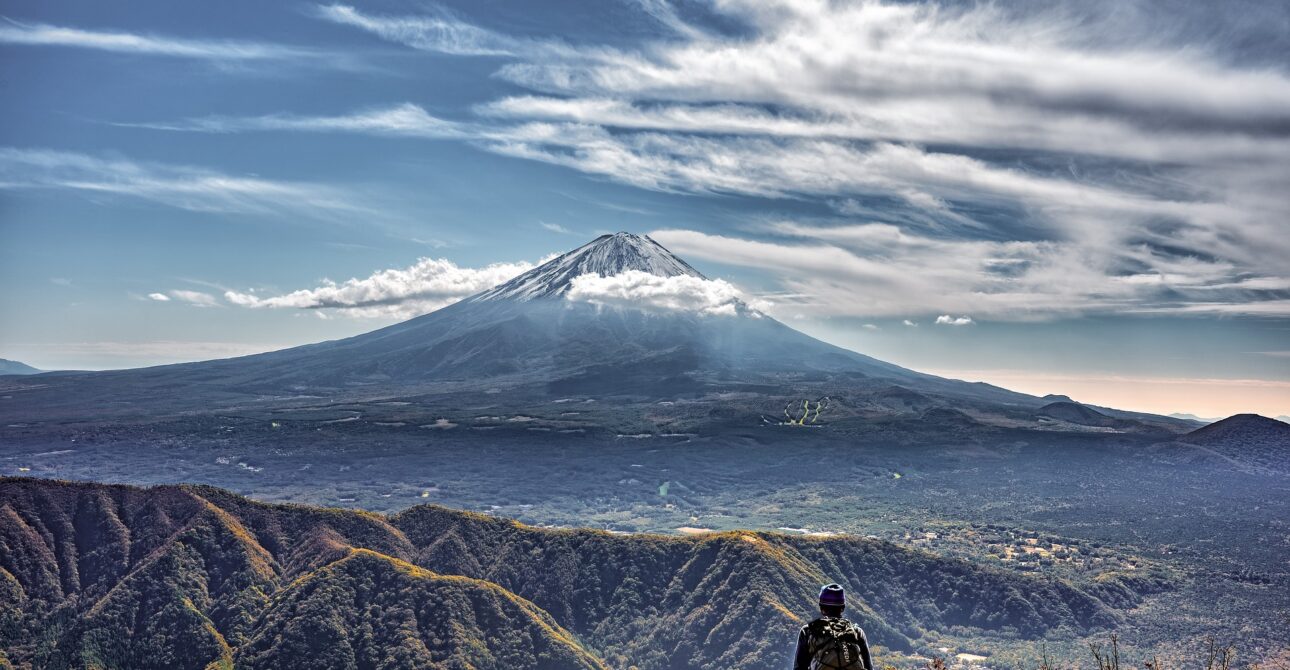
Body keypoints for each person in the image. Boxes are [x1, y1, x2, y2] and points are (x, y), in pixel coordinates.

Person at [793, 583, 873, 670]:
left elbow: (799, 667)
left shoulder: (808, 631)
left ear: (821, 608)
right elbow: (868, 667)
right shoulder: (857, 632)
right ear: (842, 608)